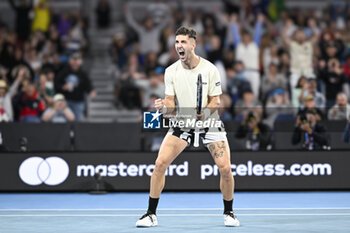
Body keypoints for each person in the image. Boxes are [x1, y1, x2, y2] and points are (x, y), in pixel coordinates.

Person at [136, 26, 240, 227]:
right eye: (177, 42)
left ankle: (229, 213)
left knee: (225, 169)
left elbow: (216, 102)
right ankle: (150, 214)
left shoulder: (210, 69)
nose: (179, 46)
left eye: (183, 42)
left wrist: (204, 113)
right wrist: (162, 105)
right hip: (182, 123)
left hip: (209, 123)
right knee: (159, 165)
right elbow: (170, 104)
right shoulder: (170, 71)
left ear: (193, 44)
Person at [55, 52, 96, 121]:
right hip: (66, 101)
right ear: (70, 61)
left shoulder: (83, 73)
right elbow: (56, 84)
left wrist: (91, 91)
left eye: (77, 60)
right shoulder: (64, 72)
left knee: (77, 122)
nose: (75, 62)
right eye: (73, 60)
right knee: (65, 121)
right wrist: (63, 87)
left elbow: (88, 85)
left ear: (80, 62)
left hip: (79, 102)